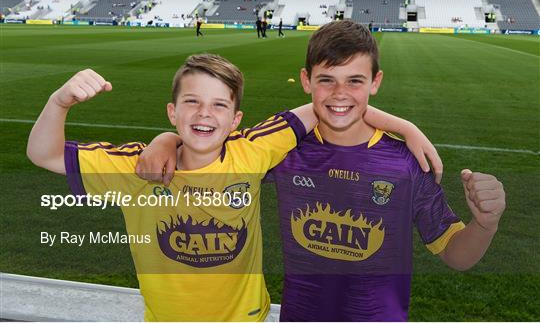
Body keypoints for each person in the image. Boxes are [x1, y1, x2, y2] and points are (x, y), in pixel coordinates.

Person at [137, 20, 506, 321]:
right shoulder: (285, 150)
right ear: (306, 81)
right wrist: (167, 140)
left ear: (375, 83)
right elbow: (212, 151)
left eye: (355, 81)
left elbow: (457, 255)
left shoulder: (405, 161)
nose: (339, 92)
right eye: (327, 79)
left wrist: (485, 224)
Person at [26, 53, 436, 321]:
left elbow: (328, 104)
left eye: (219, 105)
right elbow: (43, 154)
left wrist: (405, 126)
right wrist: (59, 102)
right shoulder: (137, 168)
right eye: (192, 102)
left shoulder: (252, 151)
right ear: (172, 112)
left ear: (235, 119)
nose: (205, 114)